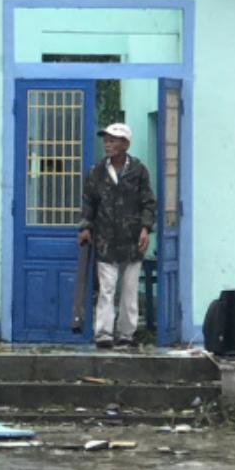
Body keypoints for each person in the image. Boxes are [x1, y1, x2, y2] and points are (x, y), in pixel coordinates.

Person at [78, 123, 157, 349]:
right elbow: (88, 203)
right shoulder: (96, 172)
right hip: (106, 240)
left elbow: (148, 203)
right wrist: (85, 227)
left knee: (130, 290)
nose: (108, 144)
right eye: (106, 140)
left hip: (133, 240)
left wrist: (145, 229)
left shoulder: (138, 171)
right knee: (107, 289)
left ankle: (126, 334)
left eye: (113, 140)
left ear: (125, 144)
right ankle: (103, 334)